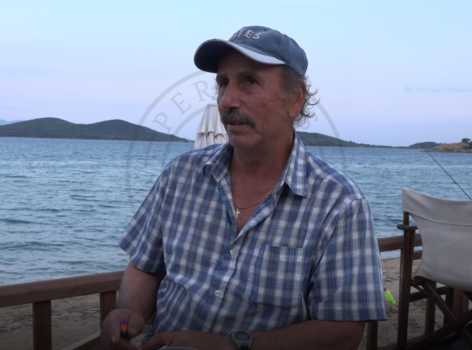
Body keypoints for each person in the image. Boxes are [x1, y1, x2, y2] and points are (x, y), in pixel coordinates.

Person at [101, 25, 386, 350]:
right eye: (223, 82)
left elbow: (344, 332)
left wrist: (232, 345)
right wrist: (127, 315)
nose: (227, 100)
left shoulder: (340, 203)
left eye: (248, 81)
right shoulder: (180, 175)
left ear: (295, 98)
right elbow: (144, 267)